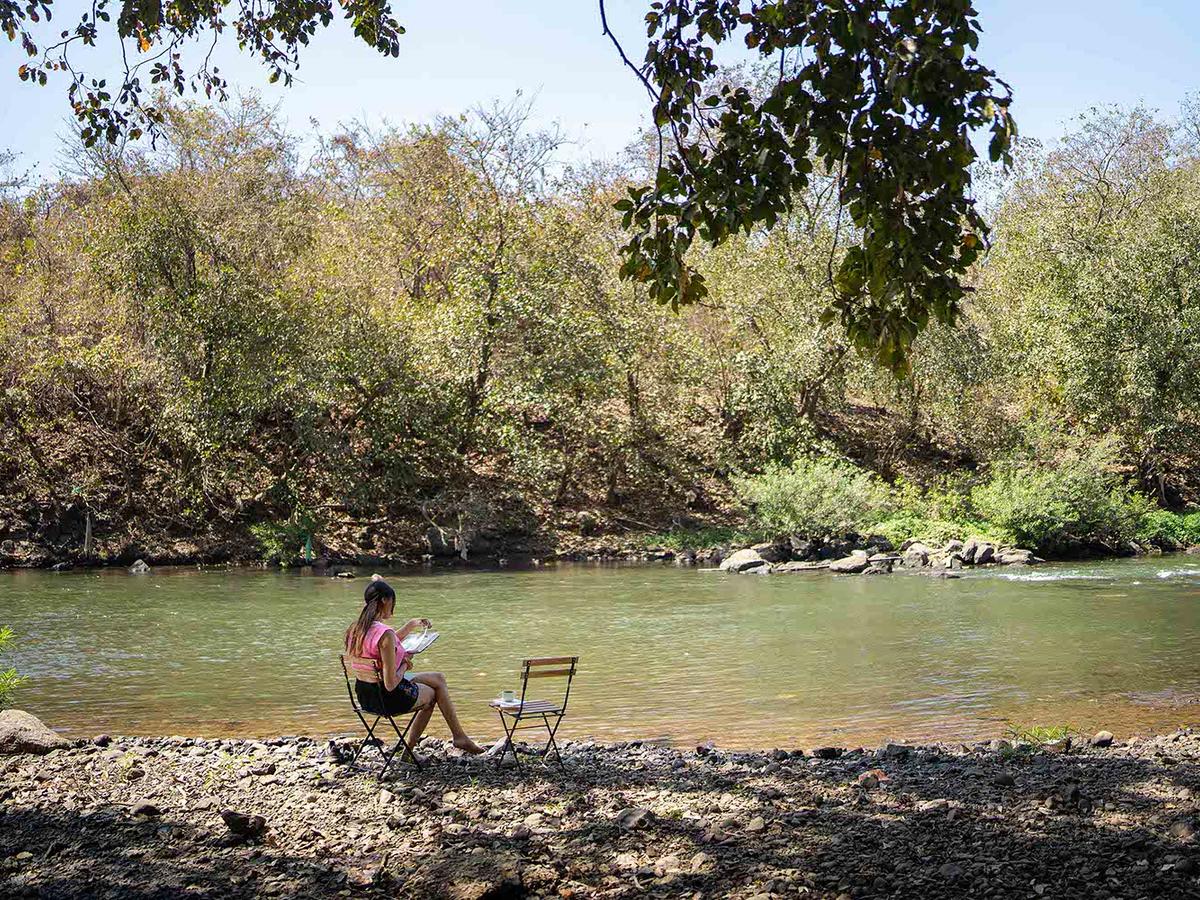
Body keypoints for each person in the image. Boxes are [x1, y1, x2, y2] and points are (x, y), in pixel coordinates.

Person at [345, 576, 484, 755]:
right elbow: (390, 684)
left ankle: (459, 736)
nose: (393, 607)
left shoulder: (355, 629)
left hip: (365, 697)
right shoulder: (384, 634)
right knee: (434, 694)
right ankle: (411, 750)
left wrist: (411, 624)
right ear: (385, 600)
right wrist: (404, 664)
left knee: (438, 678)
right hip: (387, 699)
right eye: (393, 602)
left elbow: (387, 643)